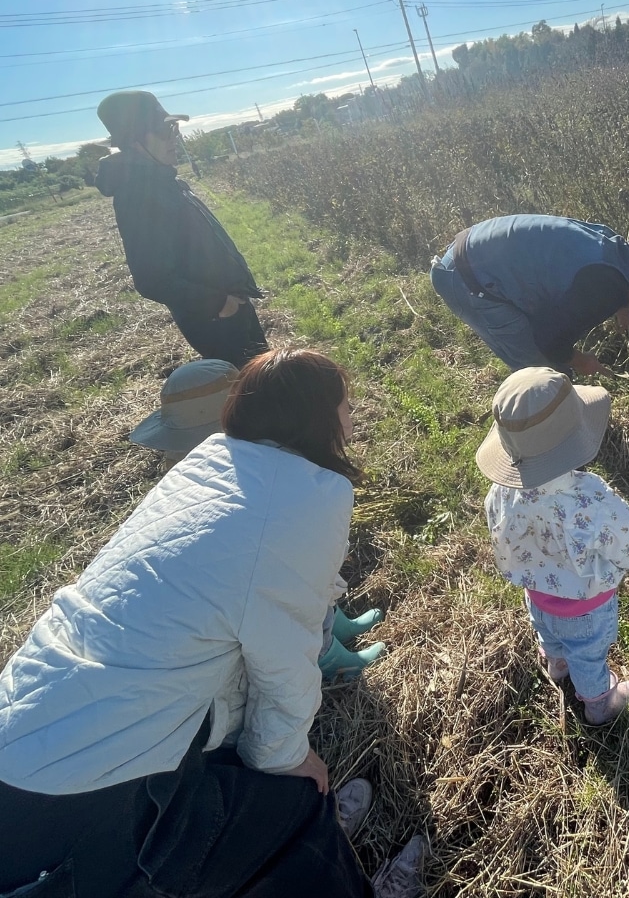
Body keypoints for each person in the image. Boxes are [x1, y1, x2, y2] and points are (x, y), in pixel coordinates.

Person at [0, 348, 419, 897]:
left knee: (239, 798)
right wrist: (286, 759)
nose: (352, 414)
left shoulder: (207, 466)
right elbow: (283, 661)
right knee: (290, 809)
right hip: (87, 787)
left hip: (28, 727)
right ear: (317, 418)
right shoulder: (303, 499)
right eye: (346, 404)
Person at [127, 357, 387, 681]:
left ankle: (333, 622)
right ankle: (329, 656)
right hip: (237, 612)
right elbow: (279, 602)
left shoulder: (221, 460)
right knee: (298, 593)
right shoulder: (227, 468)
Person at [476, 366, 629, 724]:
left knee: (550, 635)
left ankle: (557, 665)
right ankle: (598, 704)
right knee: (587, 655)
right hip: (586, 608)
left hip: (538, 595)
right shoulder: (589, 498)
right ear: (572, 438)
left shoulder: (501, 491)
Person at [91, 90, 268, 369]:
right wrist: (219, 303)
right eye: (164, 130)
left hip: (229, 307)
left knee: (263, 379)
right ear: (134, 141)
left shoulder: (161, 180)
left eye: (174, 128)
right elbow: (151, 279)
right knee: (249, 386)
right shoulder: (139, 196)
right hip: (216, 319)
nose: (174, 137)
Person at [430, 214, 629, 377]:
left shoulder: (616, 249)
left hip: (467, 250)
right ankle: (537, 438)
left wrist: (622, 305)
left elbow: (590, 277)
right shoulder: (608, 287)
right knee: (543, 374)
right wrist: (582, 361)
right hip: (466, 279)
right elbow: (549, 339)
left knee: (554, 371)